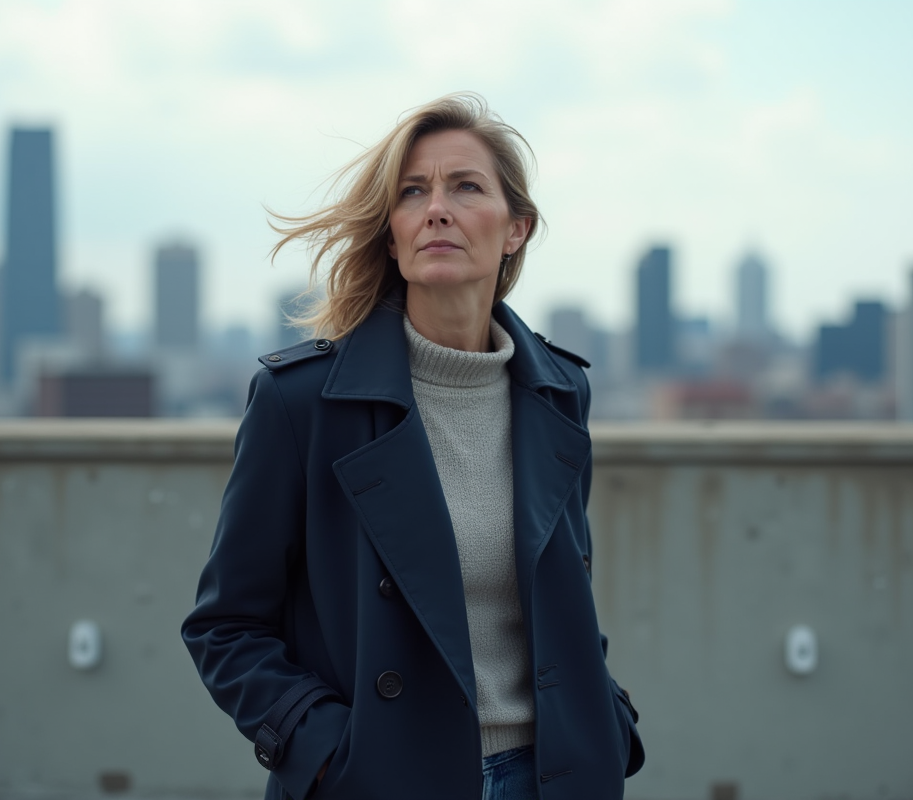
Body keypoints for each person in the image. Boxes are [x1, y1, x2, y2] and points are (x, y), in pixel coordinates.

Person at [181, 93, 644, 800]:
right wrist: (329, 751)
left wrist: (609, 722)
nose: (437, 209)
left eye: (466, 186)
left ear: (516, 228)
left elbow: (560, 596)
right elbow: (226, 625)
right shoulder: (303, 402)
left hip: (553, 776)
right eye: (413, 192)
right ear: (393, 235)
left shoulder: (559, 395)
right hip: (384, 780)